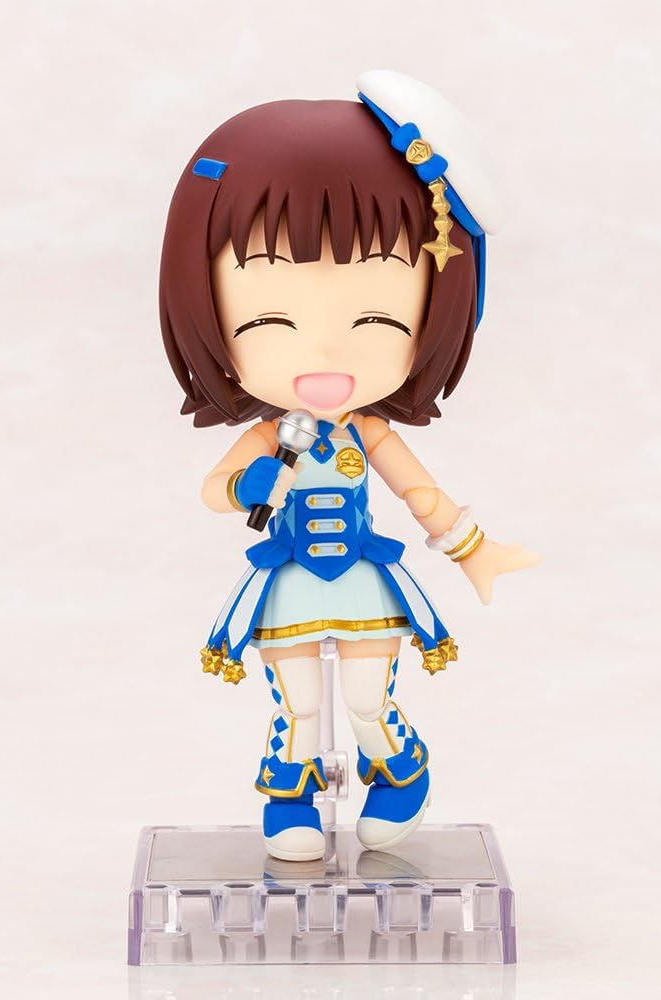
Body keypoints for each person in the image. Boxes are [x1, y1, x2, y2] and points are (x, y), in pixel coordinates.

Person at [159, 70, 539, 862]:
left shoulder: (367, 433)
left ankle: (400, 773)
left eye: (375, 318)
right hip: (289, 579)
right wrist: (246, 484)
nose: (326, 353)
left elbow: (419, 493)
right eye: (269, 320)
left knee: (368, 701)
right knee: (297, 709)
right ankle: (289, 800)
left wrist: (473, 549)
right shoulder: (273, 435)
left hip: (363, 579)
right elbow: (213, 491)